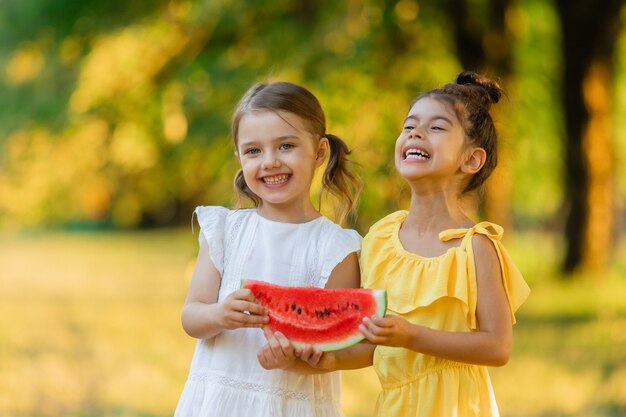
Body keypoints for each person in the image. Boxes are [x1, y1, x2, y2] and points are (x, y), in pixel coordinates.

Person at [260, 71, 530, 417]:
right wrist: (326, 359)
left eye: (436, 127)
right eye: (409, 126)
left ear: (471, 159)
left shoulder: (475, 246)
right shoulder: (381, 240)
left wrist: (412, 336)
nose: (416, 132)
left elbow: (497, 347)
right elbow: (372, 344)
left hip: (457, 407)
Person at [173, 81, 362, 417]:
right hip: (218, 403)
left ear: (319, 152)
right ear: (239, 158)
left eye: (286, 146)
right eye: (253, 151)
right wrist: (218, 314)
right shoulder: (225, 232)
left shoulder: (337, 248)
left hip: (293, 405)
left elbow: (338, 348)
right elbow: (192, 316)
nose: (270, 162)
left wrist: (298, 358)